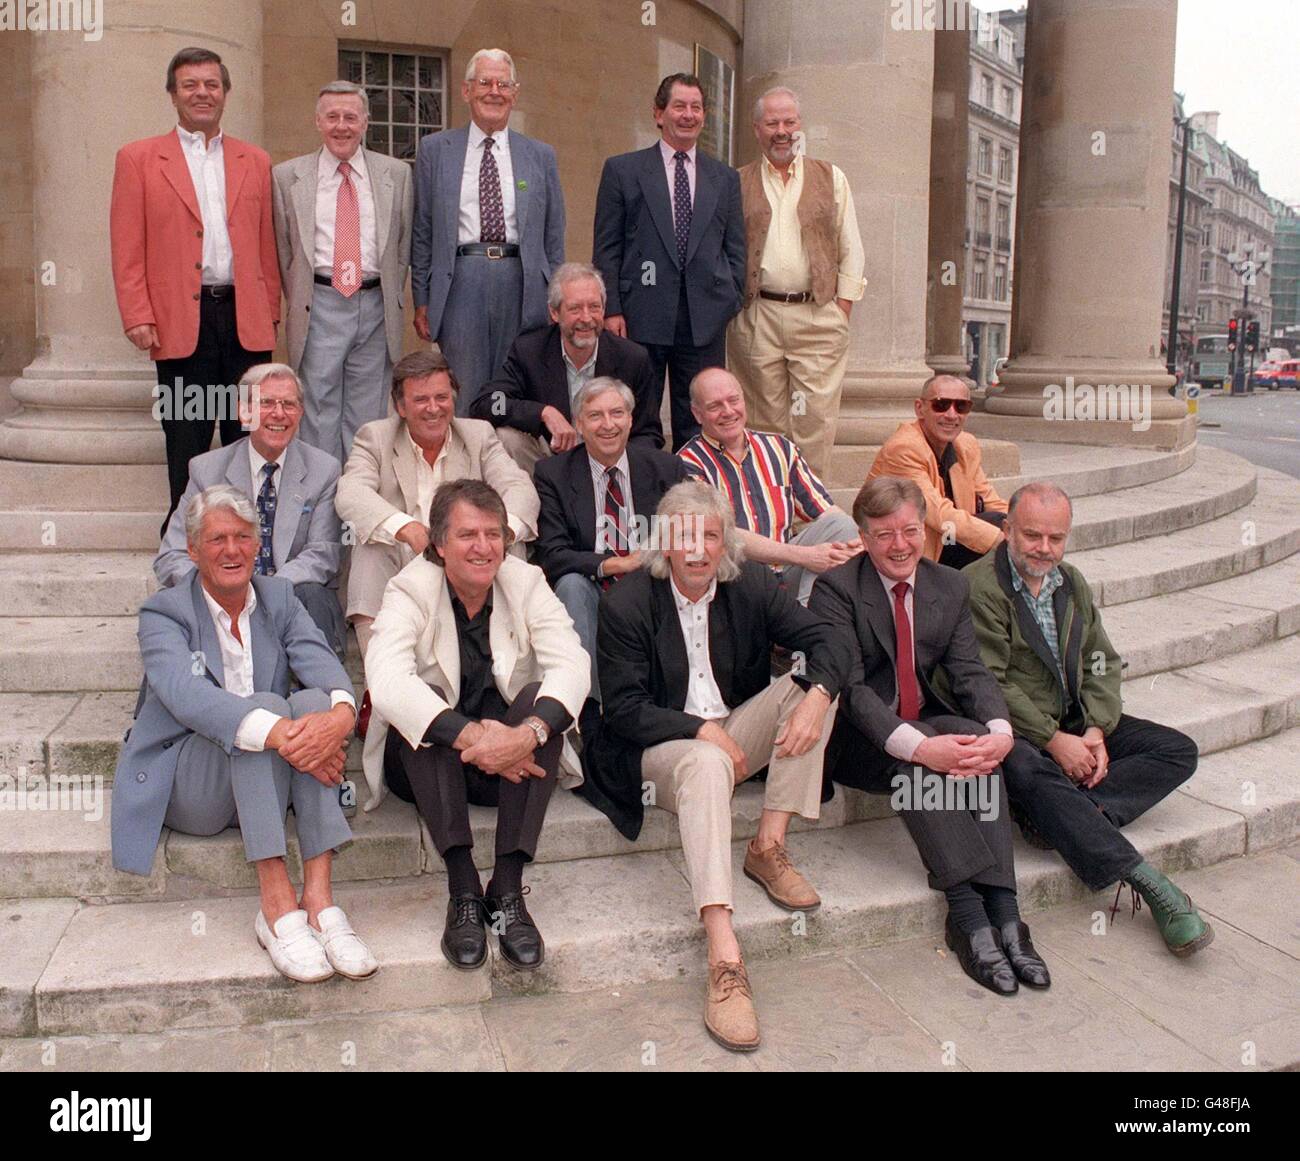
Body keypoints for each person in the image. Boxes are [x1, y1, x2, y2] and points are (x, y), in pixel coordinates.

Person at [580, 481, 849, 1051]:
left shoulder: (749, 583)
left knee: (812, 691)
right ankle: (725, 954)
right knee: (705, 762)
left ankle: (767, 847)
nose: (698, 550)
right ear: (664, 544)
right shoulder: (627, 600)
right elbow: (624, 710)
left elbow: (828, 638)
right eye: (684, 536)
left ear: (725, 541)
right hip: (660, 747)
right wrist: (699, 729)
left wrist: (820, 696)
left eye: (709, 535)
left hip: (732, 733)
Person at [112, 485, 376, 984]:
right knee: (265, 712)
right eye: (216, 539)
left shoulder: (278, 597)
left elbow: (322, 665)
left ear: (258, 544)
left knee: (315, 704)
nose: (231, 550)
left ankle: (319, 900)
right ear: (192, 550)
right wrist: (280, 735)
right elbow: (187, 697)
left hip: (268, 778)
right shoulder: (163, 613)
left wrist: (339, 720)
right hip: (192, 783)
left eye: (242, 537)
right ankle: (275, 907)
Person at [808, 476, 1051, 997]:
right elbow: (851, 690)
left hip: (923, 716)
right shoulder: (837, 589)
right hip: (858, 739)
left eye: (910, 531)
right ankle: (967, 915)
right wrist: (920, 748)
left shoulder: (948, 584)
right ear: (865, 537)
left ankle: (1006, 913)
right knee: (921, 760)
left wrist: (1000, 731)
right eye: (883, 534)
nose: (899, 545)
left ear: (925, 529)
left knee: (972, 740)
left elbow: (970, 672)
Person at [965, 482, 1212, 957]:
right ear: (1008, 529)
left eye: (1055, 538)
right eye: (1032, 535)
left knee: (1177, 750)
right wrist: (1055, 740)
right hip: (1016, 730)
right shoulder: (982, 587)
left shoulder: (1070, 581)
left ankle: (1065, 817)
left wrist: (1096, 729)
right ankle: (1150, 884)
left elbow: (1101, 660)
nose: (1044, 548)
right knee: (1024, 766)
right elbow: (989, 682)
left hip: (1075, 719)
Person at [366, 480, 589, 971]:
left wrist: (522, 736)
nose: (484, 547)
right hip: (427, 768)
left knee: (542, 704)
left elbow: (573, 665)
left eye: (494, 534)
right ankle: (463, 887)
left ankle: (507, 888)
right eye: (468, 534)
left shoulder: (526, 581)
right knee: (423, 705)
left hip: (508, 768)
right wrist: (474, 737)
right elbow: (383, 681)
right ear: (439, 544)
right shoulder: (409, 588)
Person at [110, 47, 280, 527]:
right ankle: (182, 539)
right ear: (172, 94)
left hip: (243, 317)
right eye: (190, 85)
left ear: (225, 93)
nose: (201, 93)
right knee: (185, 432)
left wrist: (270, 313)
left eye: (211, 84)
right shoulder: (138, 158)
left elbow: (265, 244)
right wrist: (137, 313)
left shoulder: (255, 159)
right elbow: (127, 244)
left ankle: (243, 533)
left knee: (245, 432)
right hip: (179, 320)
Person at [335, 349, 538, 659]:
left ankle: (512, 660)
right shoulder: (375, 437)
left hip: (466, 556)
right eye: (421, 400)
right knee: (369, 548)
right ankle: (379, 674)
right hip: (404, 557)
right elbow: (351, 493)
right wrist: (408, 529)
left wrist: (493, 535)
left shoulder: (477, 434)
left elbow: (519, 487)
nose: (434, 409)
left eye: (442, 397)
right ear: (400, 406)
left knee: (510, 541)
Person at [592, 73, 746, 450]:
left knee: (699, 419)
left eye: (696, 108)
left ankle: (694, 498)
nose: (688, 115)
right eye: (679, 106)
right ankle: (641, 497)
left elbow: (736, 248)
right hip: (639, 317)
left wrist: (729, 298)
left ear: (704, 117)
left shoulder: (724, 178)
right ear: (659, 113)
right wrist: (611, 306)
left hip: (704, 319)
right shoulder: (623, 171)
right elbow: (607, 248)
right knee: (638, 415)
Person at [154, 363, 346, 657]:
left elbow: (323, 554)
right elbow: (172, 555)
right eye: (266, 403)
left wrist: (263, 590)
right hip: (221, 596)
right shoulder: (207, 470)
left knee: (314, 594)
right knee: (176, 605)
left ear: (300, 413)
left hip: (290, 594)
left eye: (289, 404)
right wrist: (221, 586)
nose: (279, 414)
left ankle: (323, 696)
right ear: (244, 411)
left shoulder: (324, 470)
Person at [411, 48, 565, 412]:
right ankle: (466, 468)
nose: (494, 91)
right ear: (466, 91)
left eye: (503, 84)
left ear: (514, 93)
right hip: (462, 279)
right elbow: (423, 230)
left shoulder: (540, 155)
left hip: (524, 282)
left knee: (518, 386)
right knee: (464, 389)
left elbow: (554, 234)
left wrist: (556, 295)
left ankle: (512, 468)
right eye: (484, 82)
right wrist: (422, 298)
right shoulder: (435, 150)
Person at [727, 87, 866, 478]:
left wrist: (842, 309)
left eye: (789, 122)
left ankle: (809, 519)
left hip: (818, 314)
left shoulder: (831, 177)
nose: (781, 131)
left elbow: (850, 244)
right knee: (761, 422)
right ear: (757, 129)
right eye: (772, 123)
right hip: (758, 316)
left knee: (814, 423)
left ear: (799, 126)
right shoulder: (737, 181)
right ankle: (769, 513)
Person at [272, 80, 414, 463]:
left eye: (350, 117)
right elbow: (284, 250)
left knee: (367, 418)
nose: (341, 126)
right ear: (317, 122)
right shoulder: (287, 177)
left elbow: (401, 250)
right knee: (317, 410)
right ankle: (319, 508)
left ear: (366, 122)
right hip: (320, 304)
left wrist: (386, 297)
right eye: (332, 117)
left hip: (375, 307)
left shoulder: (396, 175)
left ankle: (358, 506)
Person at [532, 377, 689, 699]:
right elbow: (553, 554)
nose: (608, 425)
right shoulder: (553, 473)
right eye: (595, 416)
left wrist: (646, 564)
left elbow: (686, 535)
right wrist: (616, 564)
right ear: (578, 423)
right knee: (571, 584)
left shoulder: (666, 468)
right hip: (593, 584)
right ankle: (591, 707)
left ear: (631, 419)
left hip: (652, 583)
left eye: (617, 413)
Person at [678, 367, 860, 604]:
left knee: (842, 525)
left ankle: (809, 621)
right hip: (733, 578)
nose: (728, 411)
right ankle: (806, 626)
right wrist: (806, 556)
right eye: (715, 406)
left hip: (787, 571)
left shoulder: (780, 448)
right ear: (697, 413)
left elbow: (826, 511)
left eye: (734, 400)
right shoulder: (687, 463)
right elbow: (724, 535)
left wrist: (857, 543)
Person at [469, 262, 664, 469]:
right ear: (554, 313)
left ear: (604, 309)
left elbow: (649, 434)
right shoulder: (530, 351)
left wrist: (619, 462)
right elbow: (487, 404)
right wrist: (543, 413)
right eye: (575, 309)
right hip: (552, 463)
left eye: (594, 307)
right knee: (507, 438)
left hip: (611, 462)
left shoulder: (633, 358)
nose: (586, 318)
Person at [868, 374, 1007, 568]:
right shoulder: (904, 449)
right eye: (941, 405)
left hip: (946, 540)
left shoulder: (966, 445)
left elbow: (991, 500)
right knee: (1003, 536)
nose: (951, 415)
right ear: (920, 408)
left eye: (961, 406)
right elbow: (938, 514)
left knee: (1008, 524)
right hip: (908, 549)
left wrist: (1027, 529)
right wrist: (1001, 539)